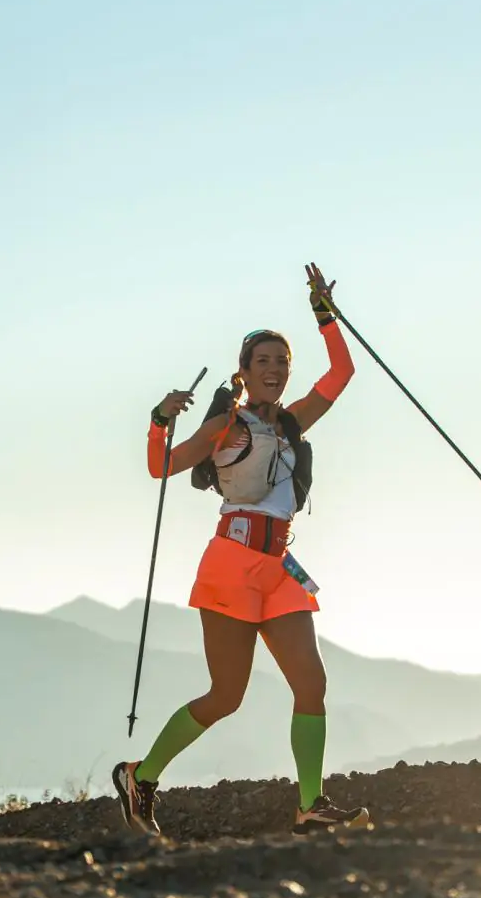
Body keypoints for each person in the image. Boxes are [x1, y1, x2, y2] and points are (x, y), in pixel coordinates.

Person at [112, 263, 370, 837]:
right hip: (231, 565)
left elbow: (343, 370)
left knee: (312, 684)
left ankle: (310, 804)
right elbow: (160, 467)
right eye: (265, 362)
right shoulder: (226, 427)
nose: (276, 370)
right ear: (245, 372)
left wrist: (323, 312)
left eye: (283, 362)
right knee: (227, 696)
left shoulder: (294, 422)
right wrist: (159, 420)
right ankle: (140, 775)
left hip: (280, 568)